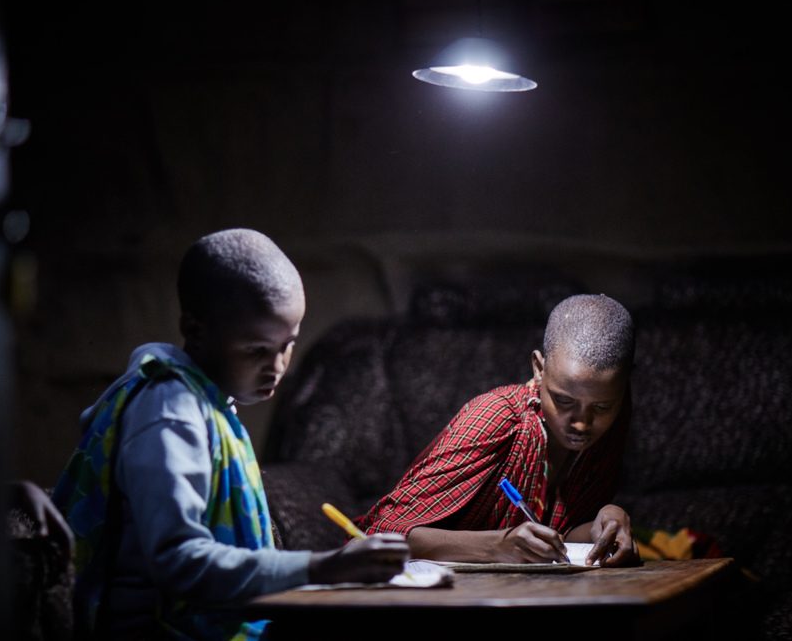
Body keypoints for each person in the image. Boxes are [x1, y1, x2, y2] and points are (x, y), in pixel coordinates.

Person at [52, 229, 409, 640]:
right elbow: (178, 561)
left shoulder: (207, 401)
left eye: (287, 344)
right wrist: (322, 567)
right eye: (256, 349)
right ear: (196, 329)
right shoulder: (171, 414)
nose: (277, 366)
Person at [358, 294, 639, 568]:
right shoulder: (497, 419)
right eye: (564, 401)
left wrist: (604, 522)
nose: (581, 423)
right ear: (539, 369)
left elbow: (559, 534)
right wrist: (496, 546)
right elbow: (375, 535)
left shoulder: (614, 422)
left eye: (601, 407)